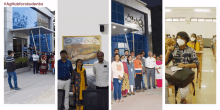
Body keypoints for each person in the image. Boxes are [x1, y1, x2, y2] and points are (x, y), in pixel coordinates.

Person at [165, 31, 199, 104]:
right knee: (163, 82)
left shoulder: (190, 50)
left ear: (186, 40)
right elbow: (165, 62)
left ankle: (183, 99)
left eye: (181, 38)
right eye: (177, 38)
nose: (178, 39)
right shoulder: (174, 49)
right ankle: (166, 103)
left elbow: (196, 64)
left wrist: (185, 65)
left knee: (183, 91)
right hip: (174, 72)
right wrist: (168, 52)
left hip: (184, 73)